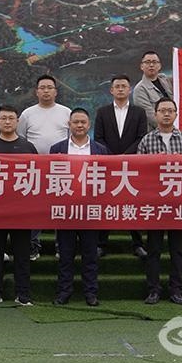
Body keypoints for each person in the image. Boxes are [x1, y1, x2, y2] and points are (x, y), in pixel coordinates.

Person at [137, 97, 182, 305]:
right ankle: (153, 290)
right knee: (153, 250)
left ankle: (176, 290)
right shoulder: (146, 140)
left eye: (170, 110)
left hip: (179, 204)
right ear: (155, 114)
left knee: (177, 250)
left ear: (176, 114)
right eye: (162, 110)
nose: (167, 114)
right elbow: (138, 172)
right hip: (154, 204)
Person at [0, 105, 38, 306]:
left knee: (22, 254)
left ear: (17, 121)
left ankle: (23, 293)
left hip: (21, 211)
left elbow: (36, 178)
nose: (7, 122)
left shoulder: (28, 147)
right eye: (3, 118)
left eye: (11, 118)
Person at [49, 108, 107, 307]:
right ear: (69, 124)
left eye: (83, 122)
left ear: (89, 124)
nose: (79, 125)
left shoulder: (100, 149)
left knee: (90, 254)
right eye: (76, 122)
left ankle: (91, 293)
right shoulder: (57, 148)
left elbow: (107, 179)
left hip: (90, 209)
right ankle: (64, 292)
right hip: (65, 209)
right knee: (66, 254)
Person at [94, 74, 148, 260]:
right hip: (108, 165)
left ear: (129, 89)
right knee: (106, 203)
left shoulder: (139, 112)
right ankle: (101, 243)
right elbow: (98, 138)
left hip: (131, 165)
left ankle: (138, 244)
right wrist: (112, 157)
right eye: (117, 86)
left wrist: (125, 156)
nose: (120, 89)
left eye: (124, 86)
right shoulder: (102, 112)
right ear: (111, 90)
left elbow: (141, 137)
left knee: (132, 203)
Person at [17, 75, 71, 260]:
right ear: (36, 91)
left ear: (56, 91)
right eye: (42, 88)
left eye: (49, 87)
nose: (46, 91)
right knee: (35, 208)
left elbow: (72, 139)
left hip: (61, 169)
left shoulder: (66, 112)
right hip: (35, 169)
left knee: (60, 208)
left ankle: (61, 245)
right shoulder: (27, 114)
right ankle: (33, 245)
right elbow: (21, 139)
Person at [133, 50, 173, 132]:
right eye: (147, 62)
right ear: (141, 66)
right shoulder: (140, 90)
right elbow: (151, 118)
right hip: (156, 134)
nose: (151, 65)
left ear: (159, 66)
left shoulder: (165, 79)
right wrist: (172, 128)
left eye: (154, 62)